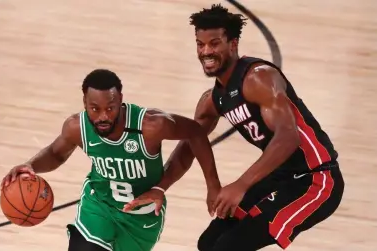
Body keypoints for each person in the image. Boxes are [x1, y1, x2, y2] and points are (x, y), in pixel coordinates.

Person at [124, 4, 345, 251]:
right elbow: (191, 144)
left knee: (228, 247)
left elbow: (288, 136)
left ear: (233, 43)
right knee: (208, 243)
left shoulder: (259, 78)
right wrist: (159, 187)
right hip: (281, 176)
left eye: (214, 43)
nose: (206, 51)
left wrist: (241, 185)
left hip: (316, 179)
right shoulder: (212, 100)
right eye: (200, 44)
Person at [0, 69, 221, 251]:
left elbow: (196, 132)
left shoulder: (151, 125)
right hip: (99, 205)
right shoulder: (77, 127)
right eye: (94, 109)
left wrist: (211, 186)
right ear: (85, 102)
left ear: (121, 101)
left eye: (110, 108)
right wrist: (31, 165)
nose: (103, 116)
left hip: (141, 218)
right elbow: (57, 153)